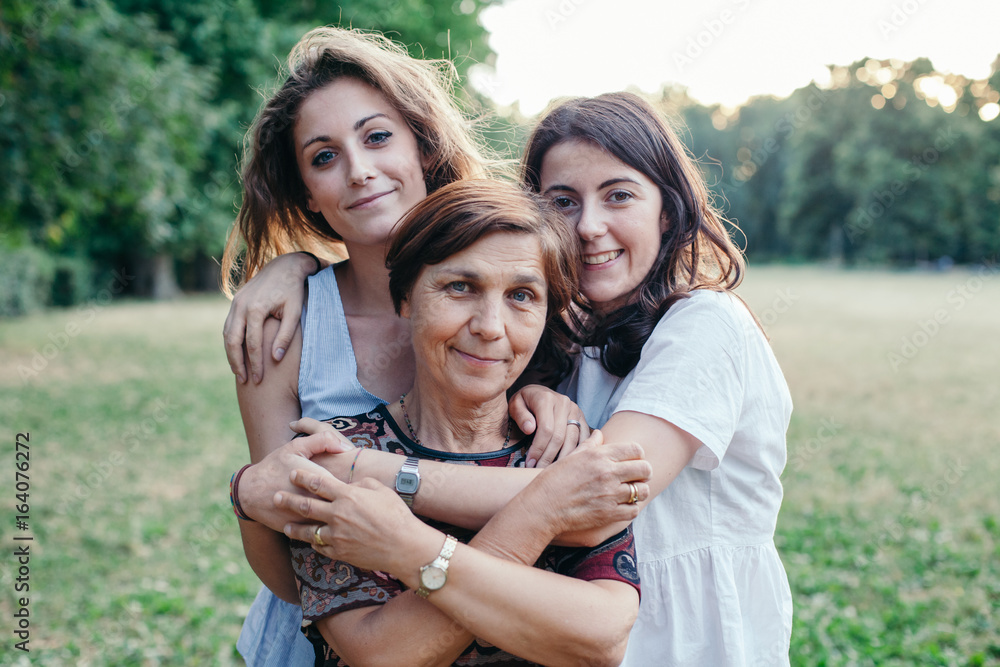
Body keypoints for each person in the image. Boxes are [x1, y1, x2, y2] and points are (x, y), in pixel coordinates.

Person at [230, 92, 794, 665]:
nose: (590, 226)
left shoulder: (705, 323)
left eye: (619, 195)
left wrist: (369, 479)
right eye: (564, 201)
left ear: (667, 211)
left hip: (687, 634)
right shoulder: (567, 339)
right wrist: (292, 264)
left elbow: (599, 499)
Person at [223, 27, 601, 666]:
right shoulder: (283, 324)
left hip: (501, 624)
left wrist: (540, 394)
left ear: (424, 146)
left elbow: (583, 513)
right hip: (339, 634)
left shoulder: (511, 282)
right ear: (305, 194)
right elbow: (287, 536)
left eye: (376, 137)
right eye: (324, 157)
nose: (360, 170)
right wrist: (289, 266)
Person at [270, 178, 647, 665]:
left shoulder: (567, 455)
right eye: (460, 287)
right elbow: (382, 655)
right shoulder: (338, 454)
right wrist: (541, 511)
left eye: (522, 296)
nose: (490, 326)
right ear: (404, 299)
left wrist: (408, 548)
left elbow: (601, 639)